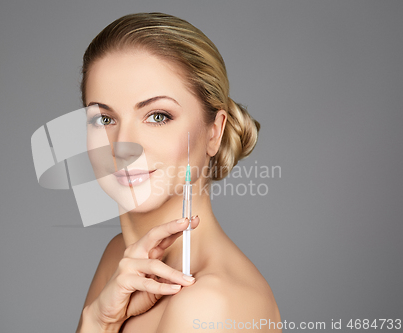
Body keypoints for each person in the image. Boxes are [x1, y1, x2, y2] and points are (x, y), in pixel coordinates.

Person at [76, 12, 281, 332]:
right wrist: (97, 322)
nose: (123, 146)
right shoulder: (120, 258)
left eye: (158, 116)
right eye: (104, 120)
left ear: (214, 132)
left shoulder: (208, 307)